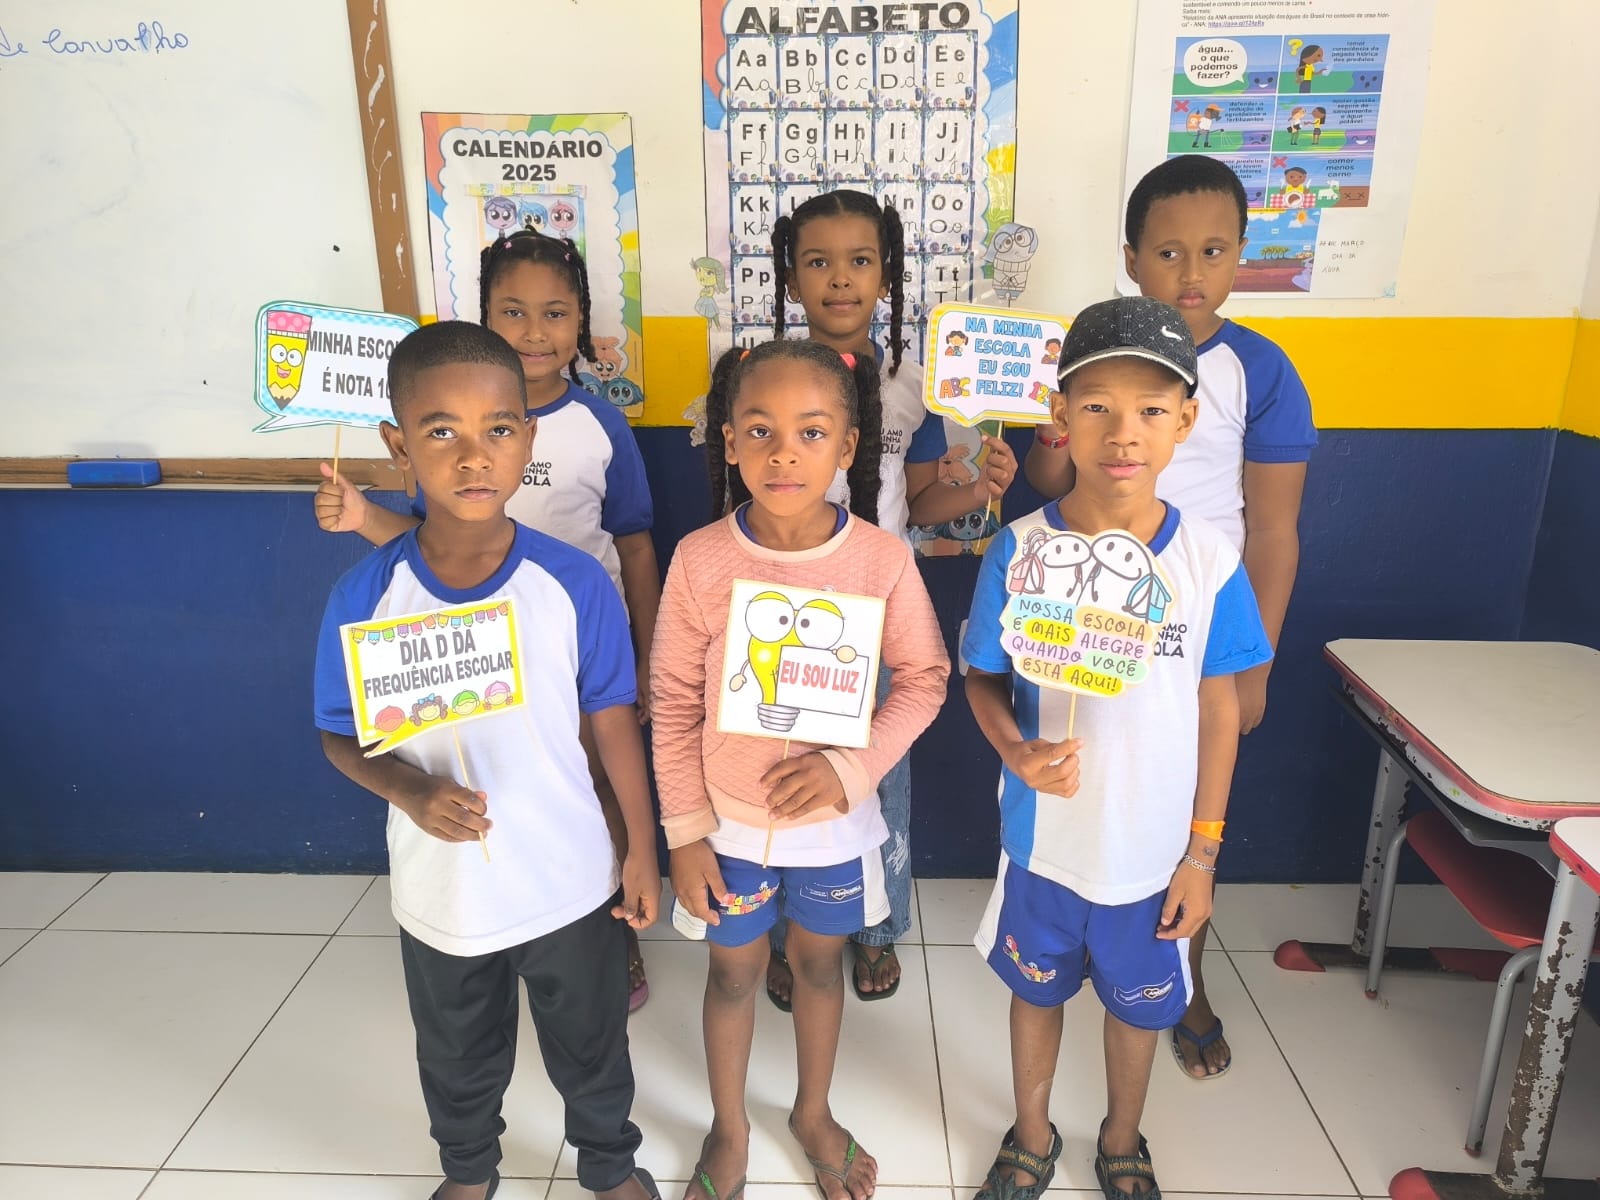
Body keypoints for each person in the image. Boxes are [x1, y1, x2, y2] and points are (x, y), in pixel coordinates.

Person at [313, 321, 661, 1200]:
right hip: (445, 890)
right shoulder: (367, 593)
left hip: (570, 878)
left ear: (528, 439)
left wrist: (640, 846)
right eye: (441, 432)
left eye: (498, 429)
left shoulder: (573, 585)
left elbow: (614, 723)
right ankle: (468, 1172)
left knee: (593, 1043)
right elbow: (337, 731)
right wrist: (407, 787)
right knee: (456, 1051)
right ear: (398, 446)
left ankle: (609, 1165)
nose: (474, 457)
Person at [965, 297, 1272, 1199]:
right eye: (1096, 405)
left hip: (1155, 855)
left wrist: (1202, 853)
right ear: (1060, 415)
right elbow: (981, 678)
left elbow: (1219, 708)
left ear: (1187, 420)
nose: (1122, 431)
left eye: (1150, 408)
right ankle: (1031, 1133)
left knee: (1139, 1011)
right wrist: (1016, 751)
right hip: (1044, 845)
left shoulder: (1208, 560)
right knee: (1036, 993)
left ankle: (1123, 1135)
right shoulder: (1019, 550)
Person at [1024, 156, 1316, 1079]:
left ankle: (1181, 977)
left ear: (1242, 255)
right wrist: (1043, 439)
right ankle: (1071, 953)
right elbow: (1046, 481)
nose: (1191, 272)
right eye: (1168, 252)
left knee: (1193, 814)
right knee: (1097, 790)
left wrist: (1255, 660)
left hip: (1198, 631)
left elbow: (1273, 530)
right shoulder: (1089, 352)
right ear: (1131, 258)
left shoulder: (1259, 370)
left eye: (1214, 251)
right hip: (1086, 615)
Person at [652, 338, 949, 1200]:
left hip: (832, 828)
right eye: (760, 431)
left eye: (811, 432)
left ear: (848, 448)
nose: (784, 453)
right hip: (726, 826)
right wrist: (685, 833)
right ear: (729, 442)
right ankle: (730, 1128)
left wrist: (852, 770)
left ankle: (811, 1113)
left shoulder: (881, 560)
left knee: (820, 968)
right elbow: (671, 700)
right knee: (733, 974)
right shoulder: (699, 559)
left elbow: (925, 679)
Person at [765, 187, 1016, 1006]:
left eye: (860, 261)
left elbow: (923, 500)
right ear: (791, 279)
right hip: (787, 596)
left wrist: (978, 489)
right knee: (784, 759)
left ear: (887, 276)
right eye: (818, 262)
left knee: (882, 765)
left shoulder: (911, 381)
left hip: (883, 596)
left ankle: (876, 925)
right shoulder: (766, 376)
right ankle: (784, 931)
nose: (840, 278)